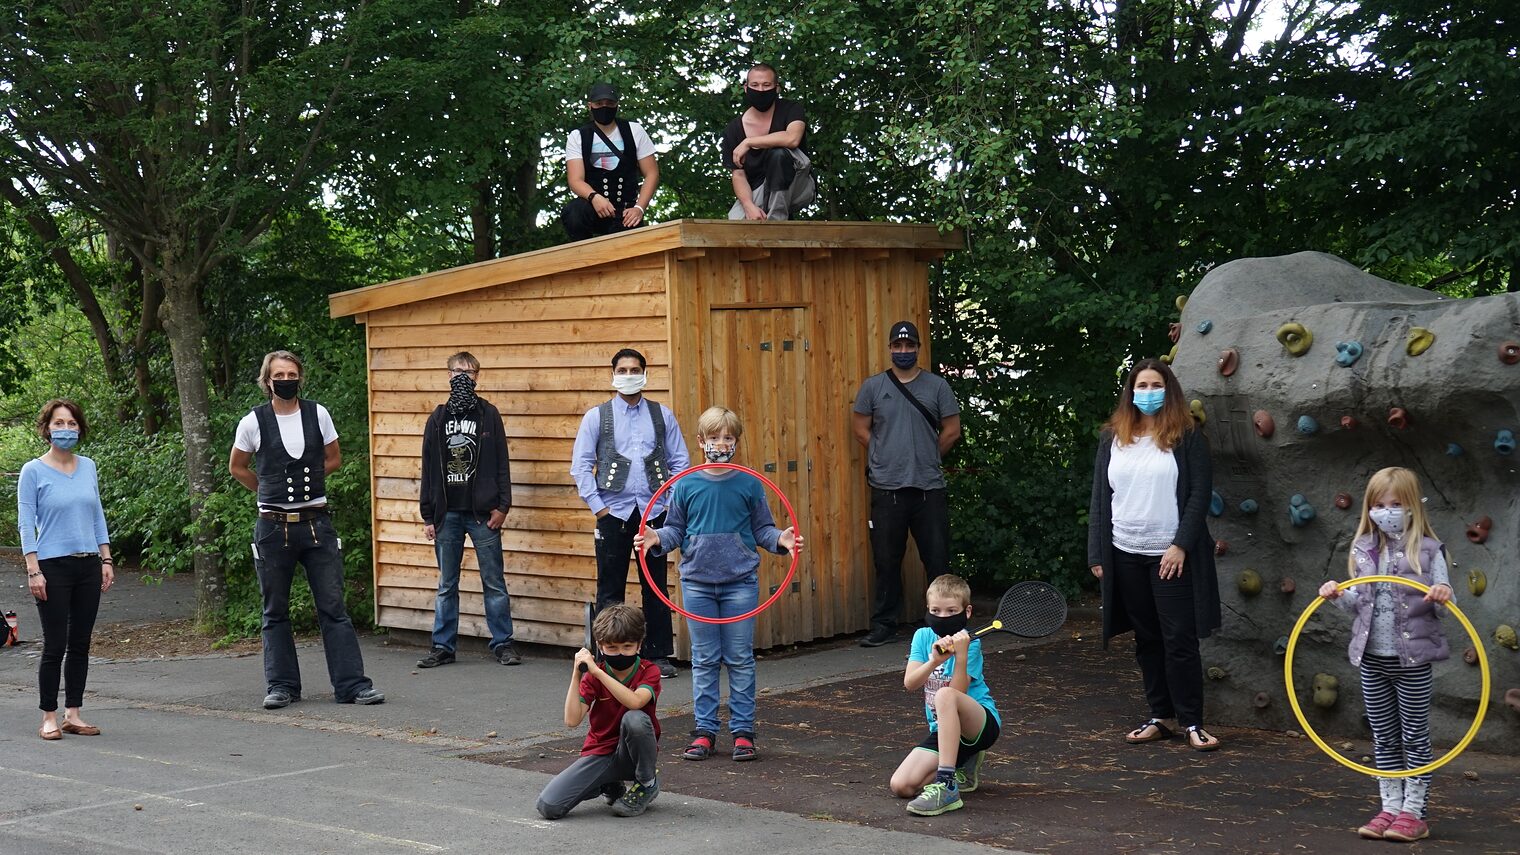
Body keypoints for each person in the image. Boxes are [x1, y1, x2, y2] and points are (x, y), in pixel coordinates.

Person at [634, 406, 801, 763]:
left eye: (728, 438)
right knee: (705, 659)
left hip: (740, 582)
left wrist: (780, 541)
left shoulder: (749, 483)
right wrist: (656, 538)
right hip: (697, 584)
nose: (721, 444)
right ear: (700, 441)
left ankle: (743, 732)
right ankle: (705, 732)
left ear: (736, 442)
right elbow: (676, 530)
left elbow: (762, 530)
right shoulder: (686, 484)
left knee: (740, 658)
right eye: (714, 438)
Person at [229, 350, 384, 709]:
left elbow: (334, 458)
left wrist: (307, 484)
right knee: (275, 609)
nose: (286, 380)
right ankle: (282, 686)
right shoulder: (253, 422)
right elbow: (237, 466)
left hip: (316, 524)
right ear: (267, 380)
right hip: (272, 527)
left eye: (291, 373)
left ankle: (352, 685)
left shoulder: (319, 414)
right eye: (279, 375)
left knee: (333, 606)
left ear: (300, 377)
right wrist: (267, 490)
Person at [1086, 357, 1220, 751]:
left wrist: (1180, 544)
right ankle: (1160, 717)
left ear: (1169, 390)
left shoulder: (1187, 436)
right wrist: (1097, 552)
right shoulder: (1113, 437)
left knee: (1179, 638)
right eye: (1140, 386)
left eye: (1155, 385)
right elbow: (1100, 497)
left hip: (1170, 553)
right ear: (1130, 392)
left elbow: (1199, 495)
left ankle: (1192, 721)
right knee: (1146, 639)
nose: (1148, 393)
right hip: (1124, 551)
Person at [1318, 466, 1453, 843]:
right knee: (1384, 736)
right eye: (1379, 504)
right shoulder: (1363, 548)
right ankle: (1390, 807)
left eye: (1396, 504)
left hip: (1412, 663)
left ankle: (1415, 812)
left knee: (1414, 735)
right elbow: (1358, 605)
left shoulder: (1428, 550)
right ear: (1369, 507)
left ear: (1412, 506)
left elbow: (1447, 606)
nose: (1387, 510)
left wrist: (1441, 594)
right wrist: (1336, 594)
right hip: (1372, 661)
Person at [569, 348, 690, 679]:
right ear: (613, 375)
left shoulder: (662, 415)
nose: (628, 374)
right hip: (614, 513)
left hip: (654, 513)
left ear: (645, 374)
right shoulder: (597, 416)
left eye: (634, 369)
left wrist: (669, 503)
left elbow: (680, 462)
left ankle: (659, 654)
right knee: (610, 586)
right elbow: (580, 467)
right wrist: (600, 508)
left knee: (656, 585)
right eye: (622, 369)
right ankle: (608, 656)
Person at [852, 320, 962, 647]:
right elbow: (860, 429)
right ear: (889, 348)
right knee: (886, 561)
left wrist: (927, 455)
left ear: (918, 348)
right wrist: (886, 456)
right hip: (887, 488)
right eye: (897, 346)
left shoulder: (937, 386)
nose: (903, 351)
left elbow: (952, 430)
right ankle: (885, 624)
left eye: (909, 346)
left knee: (938, 559)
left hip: (929, 487)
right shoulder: (873, 387)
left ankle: (947, 625)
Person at [417, 351, 519, 668]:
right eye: (458, 370)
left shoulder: (489, 415)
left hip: (482, 515)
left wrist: (503, 506)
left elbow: (502, 462)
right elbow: (428, 469)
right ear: (448, 375)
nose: (463, 376)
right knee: (447, 584)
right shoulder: (437, 418)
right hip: (447, 515)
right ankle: (443, 646)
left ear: (478, 376)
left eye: (470, 371)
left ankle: (503, 643)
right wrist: (428, 515)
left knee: (494, 582)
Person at [18, 399, 113, 740]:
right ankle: (48, 716)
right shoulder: (34, 470)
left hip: (88, 564)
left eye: (72, 424)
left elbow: (96, 515)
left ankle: (73, 713)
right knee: (55, 643)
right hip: (51, 566)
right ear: (46, 429)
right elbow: (26, 523)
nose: (66, 430)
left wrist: (106, 558)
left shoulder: (88, 466)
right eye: (59, 423)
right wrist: (33, 569)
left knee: (81, 643)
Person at [888, 574, 1001, 816]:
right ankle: (962, 763)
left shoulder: (971, 643)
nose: (943, 617)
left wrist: (960, 655)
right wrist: (933, 662)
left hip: (978, 724)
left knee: (944, 695)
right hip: (944, 731)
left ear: (966, 611)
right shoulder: (922, 636)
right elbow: (910, 683)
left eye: (951, 611)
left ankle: (947, 784)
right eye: (936, 611)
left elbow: (956, 692)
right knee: (901, 786)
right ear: (927, 610)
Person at [536, 604, 662, 819]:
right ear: (600, 646)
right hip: (601, 753)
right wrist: (577, 674)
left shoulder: (649, 670)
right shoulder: (593, 676)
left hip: (633, 755)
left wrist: (597, 672)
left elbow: (635, 702)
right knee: (549, 806)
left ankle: (647, 783)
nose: (620, 652)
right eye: (611, 648)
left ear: (639, 645)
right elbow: (571, 720)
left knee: (635, 719)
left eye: (627, 646)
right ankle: (609, 783)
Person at [562, 82, 659, 241]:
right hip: (593, 207)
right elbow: (575, 180)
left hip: (626, 212)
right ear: (590, 106)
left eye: (609, 103)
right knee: (574, 212)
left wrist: (639, 208)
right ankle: (584, 257)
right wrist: (595, 197)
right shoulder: (577, 136)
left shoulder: (634, 130)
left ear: (617, 105)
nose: (604, 107)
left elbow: (652, 173)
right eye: (599, 104)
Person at [721, 63, 814, 221]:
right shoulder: (733, 129)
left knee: (778, 154)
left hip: (797, 182)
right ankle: (765, 213)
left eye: (766, 85)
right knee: (735, 224)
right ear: (746, 88)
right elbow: (738, 174)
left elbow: (792, 138)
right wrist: (749, 205)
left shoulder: (791, 109)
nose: (761, 90)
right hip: (761, 190)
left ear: (777, 88)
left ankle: (776, 220)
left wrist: (749, 142)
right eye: (755, 85)